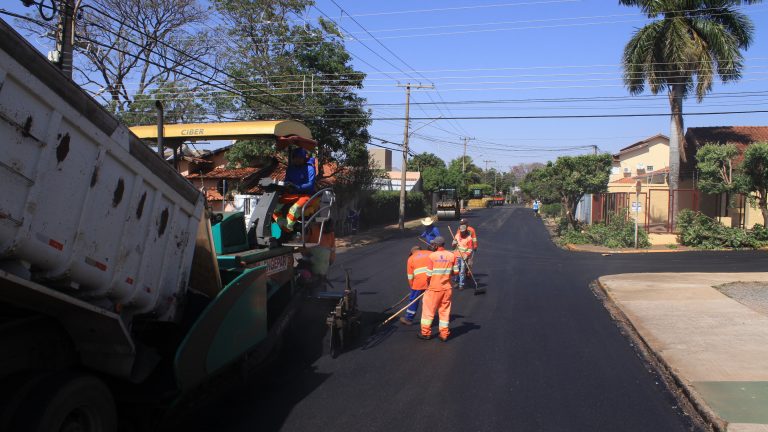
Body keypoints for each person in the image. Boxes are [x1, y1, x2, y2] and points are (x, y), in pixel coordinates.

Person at [420, 236, 458, 341]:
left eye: (433, 244)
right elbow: (456, 272)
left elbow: (428, 274)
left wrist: (427, 284)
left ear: (436, 245)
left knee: (428, 311)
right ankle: (444, 334)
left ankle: (426, 333)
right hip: (447, 289)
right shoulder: (452, 255)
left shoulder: (432, 256)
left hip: (434, 289)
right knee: (444, 311)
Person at [273, 147, 317, 233]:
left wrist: (297, 187)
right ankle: (282, 225)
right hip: (293, 195)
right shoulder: (290, 169)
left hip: (307, 196)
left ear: (304, 158)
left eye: (300, 158)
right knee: (274, 207)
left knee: (294, 209)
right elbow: (286, 182)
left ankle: (288, 229)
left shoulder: (310, 168)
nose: (297, 160)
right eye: (296, 157)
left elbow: (310, 185)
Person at [400, 245, 432, 326]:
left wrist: (412, 288)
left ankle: (408, 318)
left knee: (414, 300)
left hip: (418, 283)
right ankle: (429, 319)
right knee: (429, 301)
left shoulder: (411, 258)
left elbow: (410, 276)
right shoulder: (430, 253)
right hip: (431, 281)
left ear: (412, 252)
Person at [452, 224, 475, 290]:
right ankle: (456, 281)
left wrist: (466, 255)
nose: (461, 232)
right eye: (461, 231)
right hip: (456, 255)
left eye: (463, 231)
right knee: (456, 270)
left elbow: (470, 249)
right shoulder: (457, 235)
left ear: (465, 231)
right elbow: (453, 246)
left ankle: (461, 284)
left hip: (463, 257)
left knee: (462, 271)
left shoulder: (469, 238)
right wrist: (453, 243)